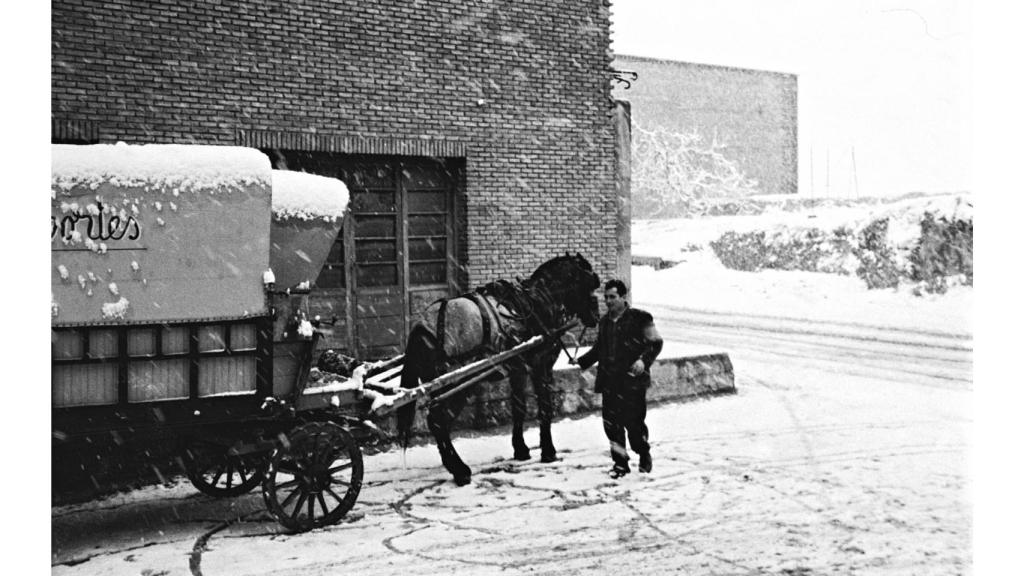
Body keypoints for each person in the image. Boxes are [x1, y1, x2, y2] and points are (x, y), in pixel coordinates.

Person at [575, 279, 663, 479]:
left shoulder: (641, 318)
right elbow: (599, 349)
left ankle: (643, 452)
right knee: (612, 426)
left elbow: (656, 343)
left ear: (624, 297)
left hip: (632, 382)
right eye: (606, 297)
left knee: (634, 425)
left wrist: (644, 361)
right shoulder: (605, 322)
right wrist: (581, 361)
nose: (608, 301)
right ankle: (620, 463)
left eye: (612, 297)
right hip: (609, 382)